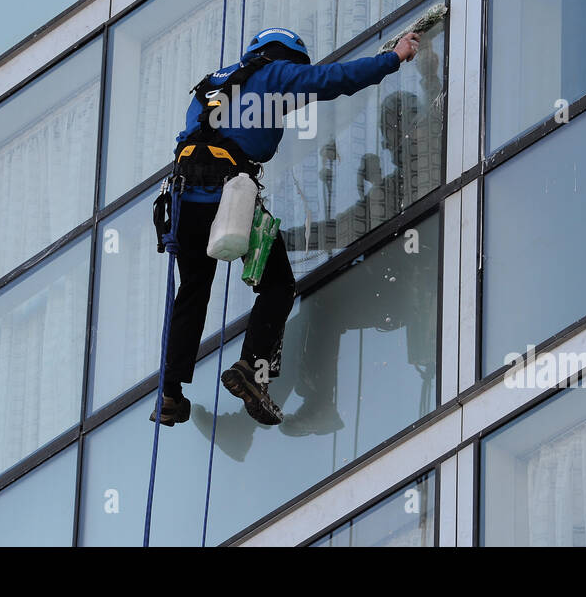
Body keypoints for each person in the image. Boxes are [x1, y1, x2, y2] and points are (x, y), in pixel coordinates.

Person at [152, 26, 421, 426]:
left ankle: (170, 394)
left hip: (185, 198)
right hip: (229, 194)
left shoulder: (209, 87)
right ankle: (253, 368)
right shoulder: (276, 74)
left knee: (192, 292)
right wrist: (392, 58)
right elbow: (334, 81)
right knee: (278, 284)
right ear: (284, 58)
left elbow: (207, 132)